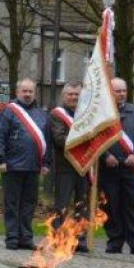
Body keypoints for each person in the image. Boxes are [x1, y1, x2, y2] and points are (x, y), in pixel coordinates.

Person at [0, 78, 51, 250]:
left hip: (34, 167)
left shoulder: (42, 114)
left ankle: (26, 237)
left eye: (30, 91)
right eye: (24, 91)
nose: (27, 94)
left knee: (29, 204)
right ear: (17, 92)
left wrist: (46, 162)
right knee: (11, 204)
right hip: (12, 166)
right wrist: (0, 160)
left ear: (35, 93)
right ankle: (12, 237)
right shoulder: (8, 112)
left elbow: (47, 141)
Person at [99, 77, 134, 255]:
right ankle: (115, 241)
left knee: (133, 206)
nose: (121, 94)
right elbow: (96, 138)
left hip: (130, 167)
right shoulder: (102, 114)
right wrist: (106, 155)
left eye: (123, 91)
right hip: (109, 167)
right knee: (111, 206)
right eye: (117, 91)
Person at [48, 81, 90, 253]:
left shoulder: (88, 115)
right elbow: (59, 139)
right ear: (63, 96)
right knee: (62, 205)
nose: (73, 97)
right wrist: (83, 140)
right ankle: (59, 238)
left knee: (83, 205)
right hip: (65, 166)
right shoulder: (57, 115)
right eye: (70, 94)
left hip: (85, 166)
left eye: (76, 94)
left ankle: (80, 239)